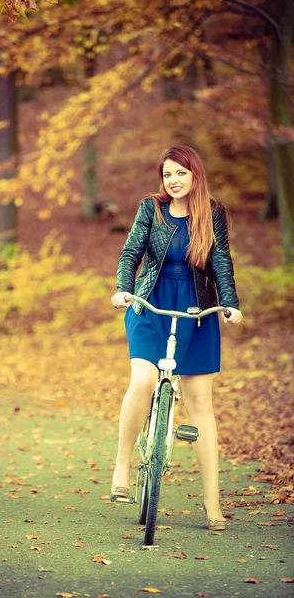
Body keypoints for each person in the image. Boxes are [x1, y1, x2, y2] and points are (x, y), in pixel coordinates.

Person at [111, 145, 243, 531]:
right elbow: (130, 252)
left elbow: (220, 260)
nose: (173, 180)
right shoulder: (150, 208)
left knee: (201, 404)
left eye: (180, 173)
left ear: (195, 175)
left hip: (197, 310)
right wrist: (123, 288)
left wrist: (230, 303)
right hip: (150, 302)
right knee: (144, 380)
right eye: (167, 174)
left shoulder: (213, 213)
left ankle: (212, 504)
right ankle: (122, 466)